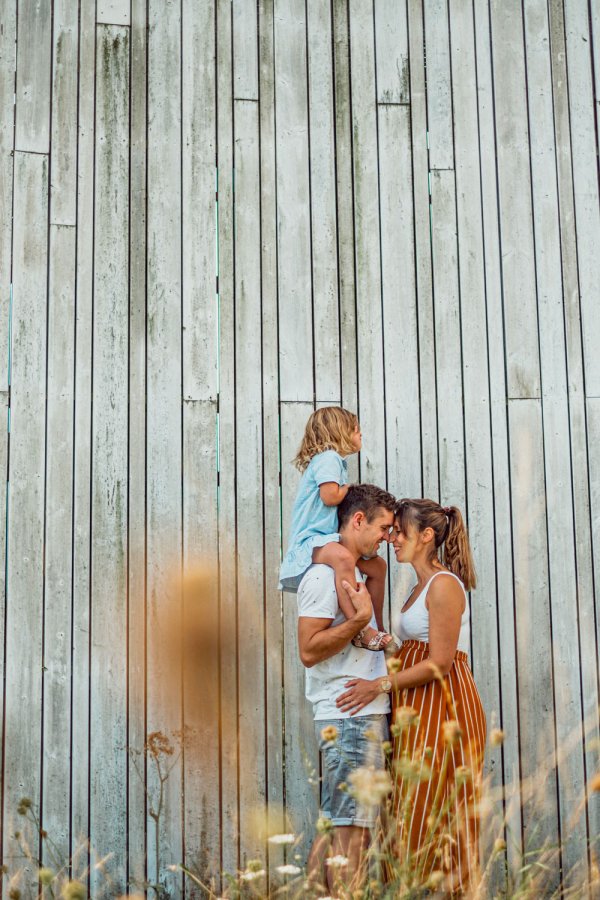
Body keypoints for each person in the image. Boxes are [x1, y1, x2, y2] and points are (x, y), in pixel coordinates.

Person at [336, 499, 486, 894]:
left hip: (445, 705)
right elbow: (408, 648)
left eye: (400, 532)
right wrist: (371, 629)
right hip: (414, 705)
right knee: (408, 807)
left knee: (438, 807)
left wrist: (376, 686)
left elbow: (439, 661)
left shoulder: (444, 585)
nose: (393, 539)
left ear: (426, 536)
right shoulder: (418, 586)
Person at [297, 483, 397, 892]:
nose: (387, 538)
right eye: (383, 528)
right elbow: (308, 650)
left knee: (344, 821)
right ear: (358, 520)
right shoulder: (324, 577)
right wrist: (357, 624)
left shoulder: (356, 574)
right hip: (349, 717)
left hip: (361, 716)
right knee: (351, 832)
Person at [280, 406, 395, 651]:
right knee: (343, 557)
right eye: (356, 429)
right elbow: (330, 496)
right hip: (311, 540)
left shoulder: (331, 461)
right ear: (339, 432)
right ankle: (361, 628)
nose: (360, 434)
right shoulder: (329, 458)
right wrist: (349, 489)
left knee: (377, 566)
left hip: (325, 539)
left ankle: (376, 622)